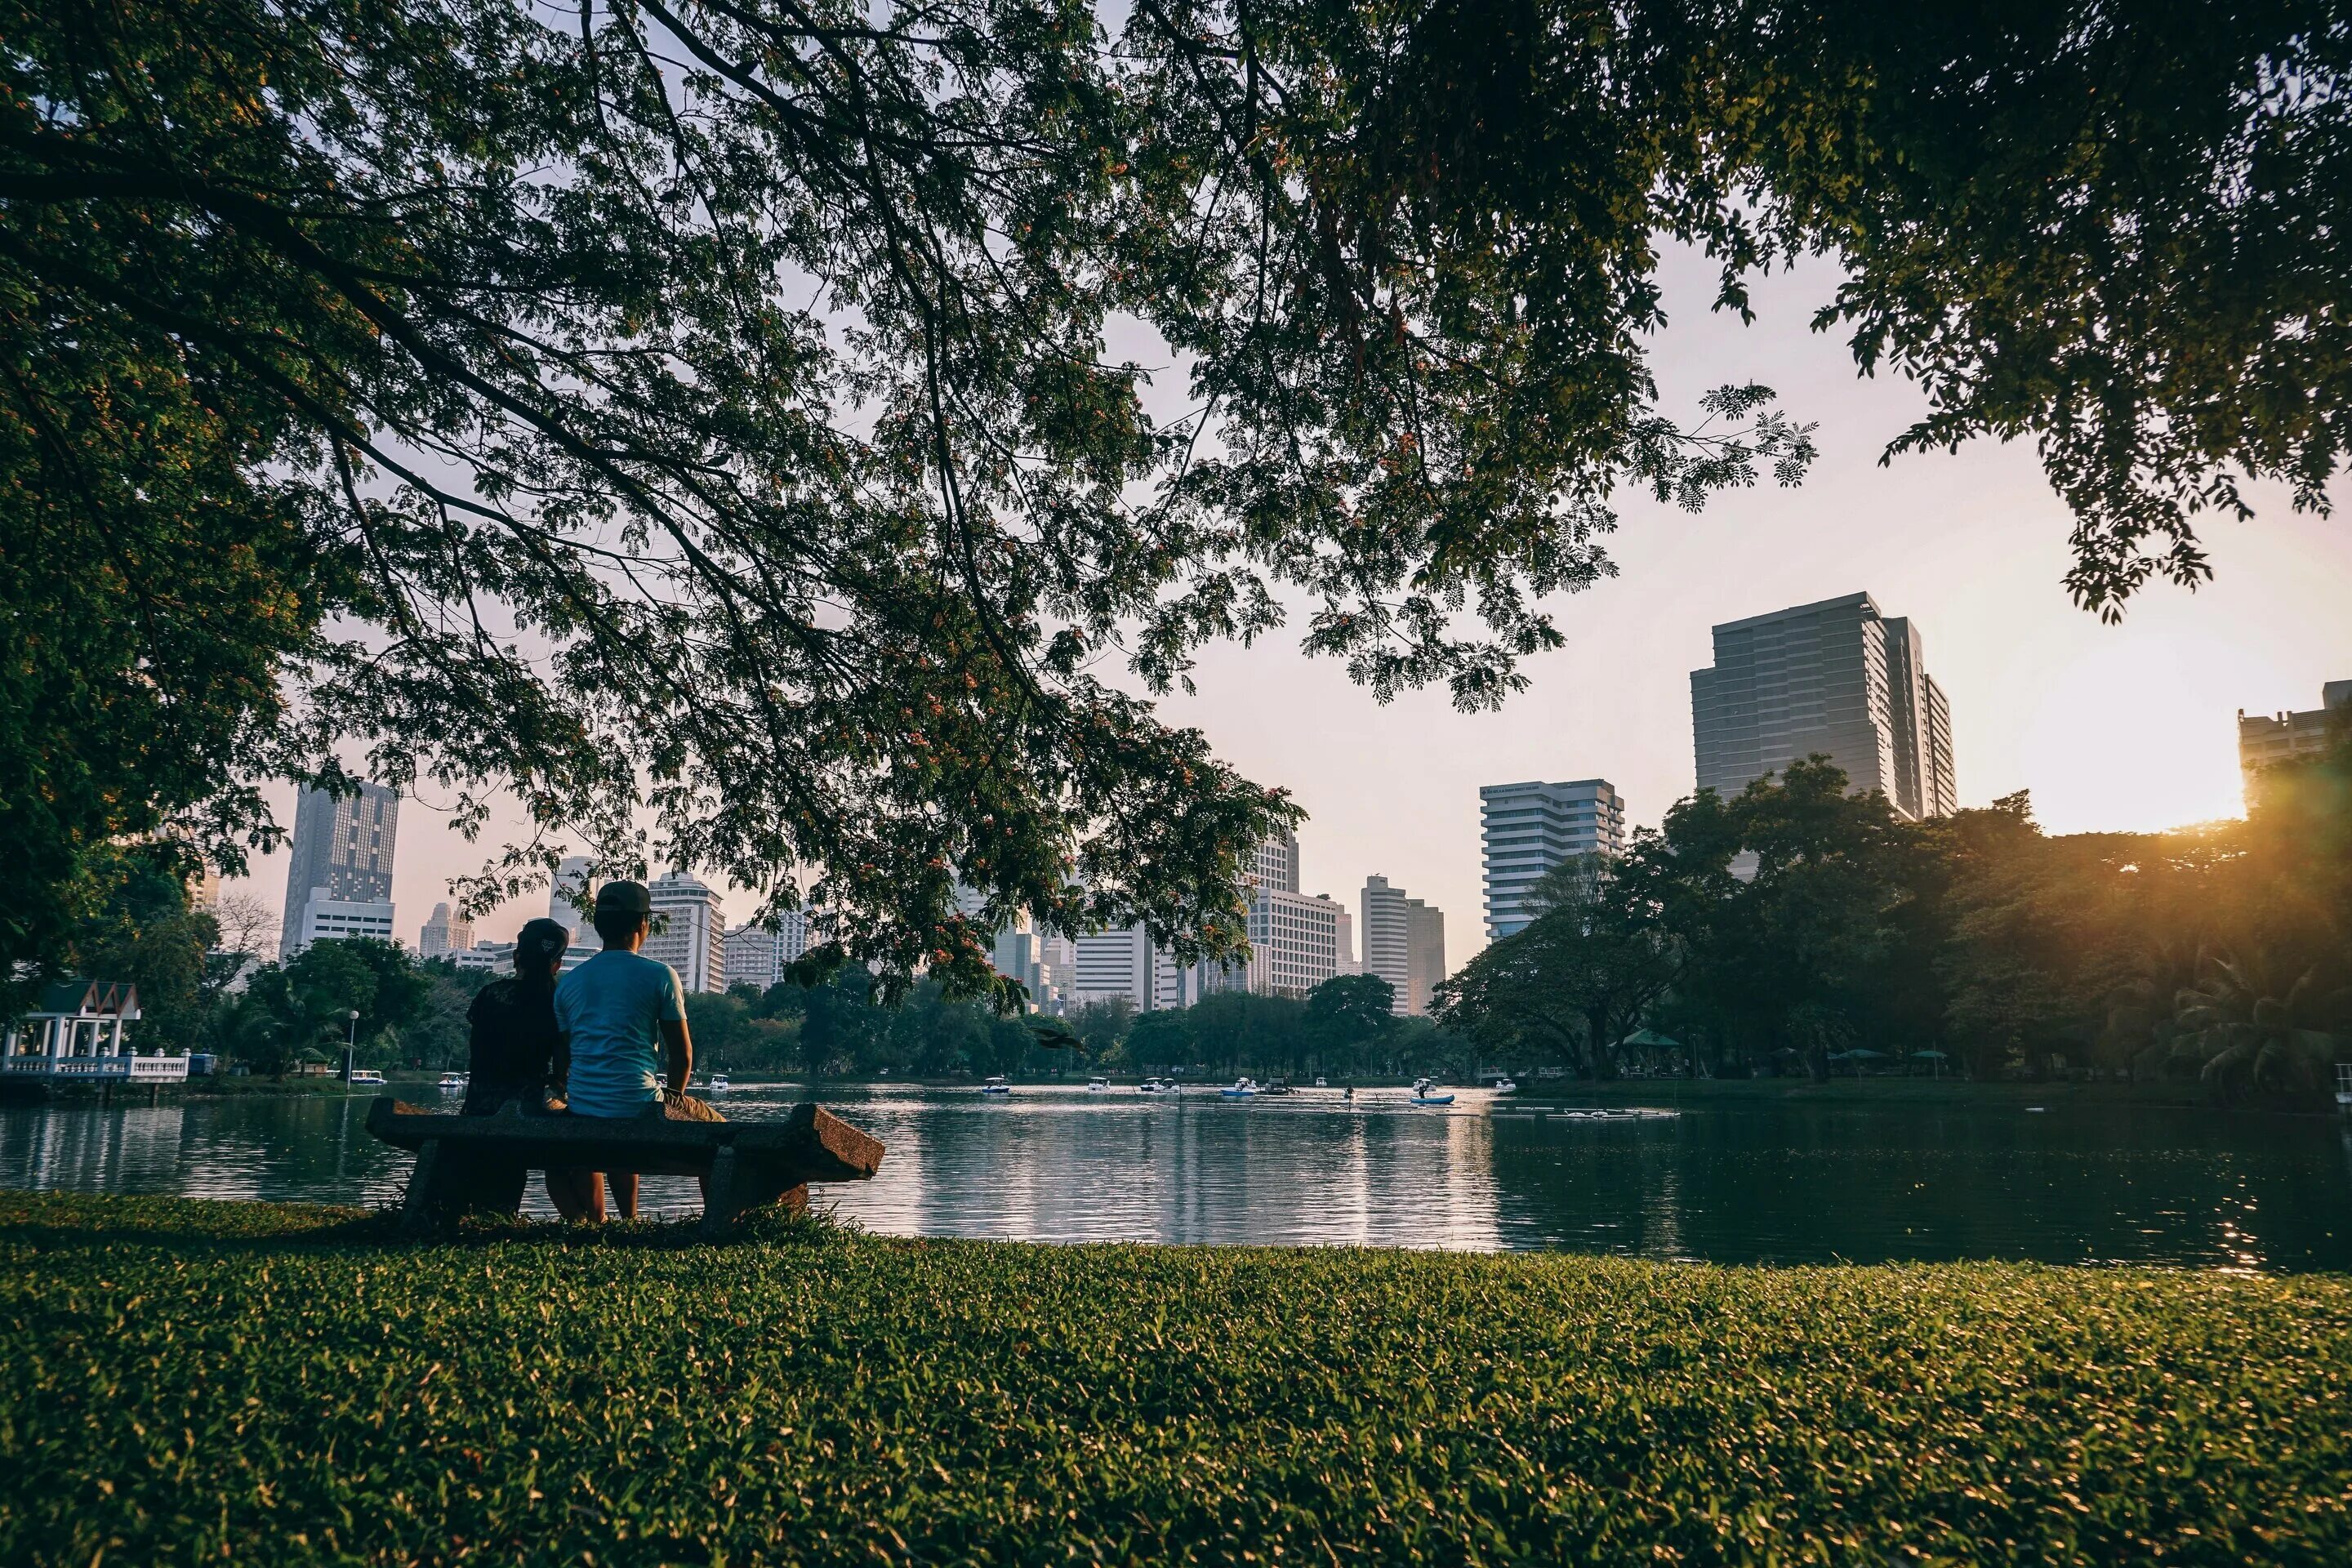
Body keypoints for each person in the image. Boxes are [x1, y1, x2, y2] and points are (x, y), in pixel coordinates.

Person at [552, 878, 722, 1220]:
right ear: (644, 924)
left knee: (615, 1123)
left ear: (598, 925)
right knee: (723, 1136)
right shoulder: (659, 975)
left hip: (584, 1105)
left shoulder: (568, 983)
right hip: (641, 1103)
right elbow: (682, 1055)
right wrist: (673, 1100)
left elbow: (567, 1056)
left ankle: (621, 1220)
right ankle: (718, 1220)